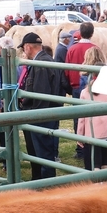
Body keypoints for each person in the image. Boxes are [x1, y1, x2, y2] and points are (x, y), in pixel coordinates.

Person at [18, 32, 59, 180]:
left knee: (42, 153)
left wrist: (35, 115)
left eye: (23, 48)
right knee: (39, 152)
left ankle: (45, 184)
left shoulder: (40, 64)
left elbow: (41, 94)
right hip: (45, 113)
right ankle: (39, 180)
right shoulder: (45, 60)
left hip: (40, 116)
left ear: (28, 47)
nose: (24, 52)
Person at [76, 48, 107, 170]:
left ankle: (95, 180)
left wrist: (79, 135)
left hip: (92, 132)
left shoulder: (85, 92)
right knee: (105, 162)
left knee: (93, 164)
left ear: (92, 74)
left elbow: (82, 117)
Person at [65, 23, 98, 157]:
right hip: (93, 86)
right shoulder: (95, 48)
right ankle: (93, 146)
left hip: (76, 86)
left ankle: (80, 148)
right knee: (92, 116)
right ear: (92, 33)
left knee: (78, 118)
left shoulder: (72, 49)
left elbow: (67, 69)